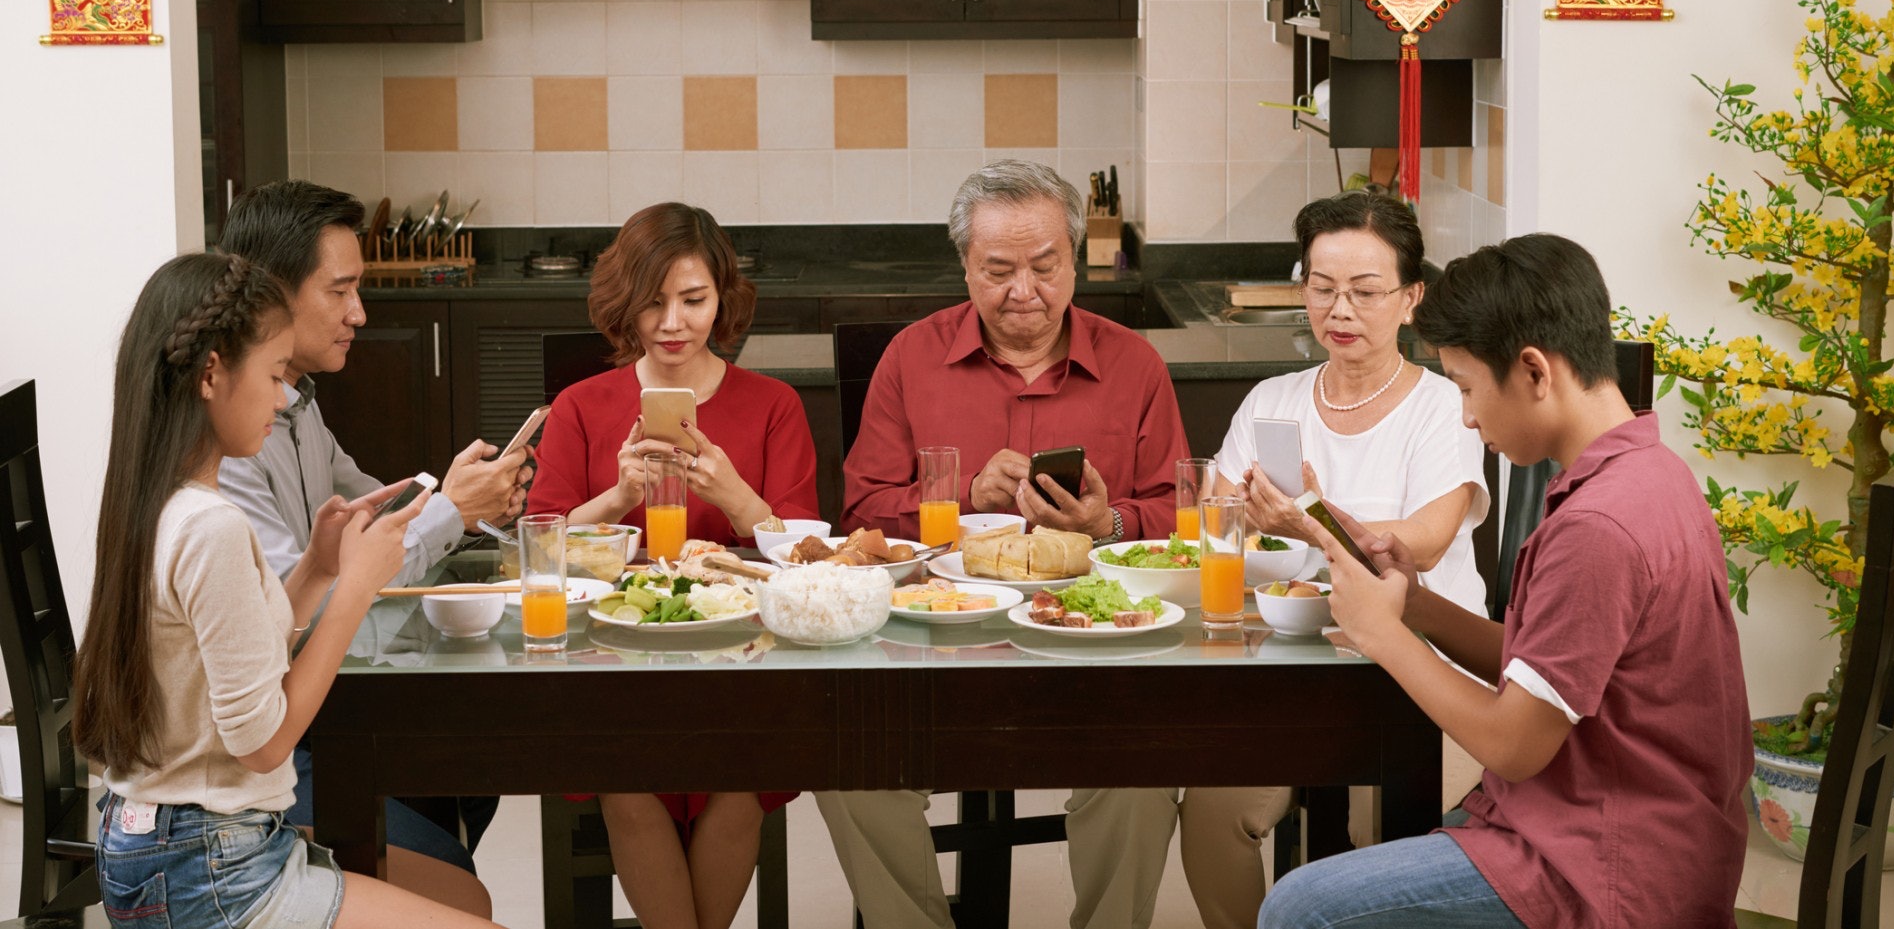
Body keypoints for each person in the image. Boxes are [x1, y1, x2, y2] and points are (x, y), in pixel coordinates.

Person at [1260, 234, 1751, 928]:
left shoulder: (1599, 526)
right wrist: (1416, 604)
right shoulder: (1649, 471)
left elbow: (1512, 745)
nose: (1466, 414)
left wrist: (1380, 633)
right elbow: (1544, 666)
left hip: (1604, 867)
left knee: (1300, 907)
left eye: (1467, 386)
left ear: (1533, 372)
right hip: (1633, 832)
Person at [72, 251, 505, 929]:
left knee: (464, 897)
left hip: (164, 843)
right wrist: (357, 586)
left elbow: (230, 658)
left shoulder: (157, 500)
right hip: (210, 865)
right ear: (212, 373)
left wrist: (317, 569)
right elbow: (264, 744)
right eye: (273, 376)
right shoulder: (211, 526)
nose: (281, 400)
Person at [823, 159, 1189, 929]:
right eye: (998, 270)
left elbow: (1179, 515)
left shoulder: (1135, 364)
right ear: (965, 265)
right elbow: (860, 509)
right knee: (847, 767)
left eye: (1045, 266)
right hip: (935, 645)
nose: (1024, 290)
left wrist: (1105, 525)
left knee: (1142, 771)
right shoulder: (911, 357)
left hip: (1095, 645)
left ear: (1075, 259)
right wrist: (961, 497)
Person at [1179, 190, 1490, 929]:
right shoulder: (1272, 399)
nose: (1340, 309)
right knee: (1211, 819)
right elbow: (1211, 528)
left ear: (1411, 298)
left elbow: (1422, 542)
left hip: (1421, 678)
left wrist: (1308, 523)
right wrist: (1231, 517)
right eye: (1322, 288)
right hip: (1289, 672)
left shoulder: (1443, 406)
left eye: (1365, 291)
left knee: (1372, 843)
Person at [218, 179, 525, 908]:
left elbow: (371, 508)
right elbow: (304, 612)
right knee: (454, 868)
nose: (359, 313)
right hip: (272, 747)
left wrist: (457, 500)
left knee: (472, 759)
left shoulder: (295, 404)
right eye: (341, 291)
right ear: (270, 296)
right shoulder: (230, 443)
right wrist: (448, 512)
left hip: (309, 710)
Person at [527, 201, 817, 929]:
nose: (672, 323)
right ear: (624, 302)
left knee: (743, 777)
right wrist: (619, 495)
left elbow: (809, 560)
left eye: (693, 300)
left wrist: (736, 496)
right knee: (625, 780)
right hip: (610, 655)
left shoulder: (775, 405)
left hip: (746, 656)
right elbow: (539, 545)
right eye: (653, 302)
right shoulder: (580, 406)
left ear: (723, 298)